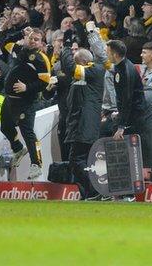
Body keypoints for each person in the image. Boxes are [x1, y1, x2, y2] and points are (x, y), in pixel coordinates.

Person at [1, 28, 51, 180]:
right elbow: (4, 43)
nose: (33, 41)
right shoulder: (19, 50)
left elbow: (45, 82)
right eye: (31, 38)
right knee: (5, 127)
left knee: (27, 132)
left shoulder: (41, 59)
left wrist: (27, 87)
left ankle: (36, 164)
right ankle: (17, 149)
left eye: (37, 39)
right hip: (9, 99)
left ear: (41, 43)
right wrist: (19, 32)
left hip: (26, 101)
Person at [60, 44, 105, 200]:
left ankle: (94, 191)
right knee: (80, 160)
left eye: (75, 61)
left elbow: (70, 68)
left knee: (76, 160)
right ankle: (87, 194)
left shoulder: (96, 70)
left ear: (83, 62)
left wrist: (64, 49)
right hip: (78, 124)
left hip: (85, 124)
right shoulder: (83, 76)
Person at [106, 40, 145, 143]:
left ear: (115, 55)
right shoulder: (119, 66)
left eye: (108, 53)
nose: (106, 55)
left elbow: (127, 99)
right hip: (126, 114)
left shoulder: (127, 71)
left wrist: (121, 126)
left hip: (134, 118)